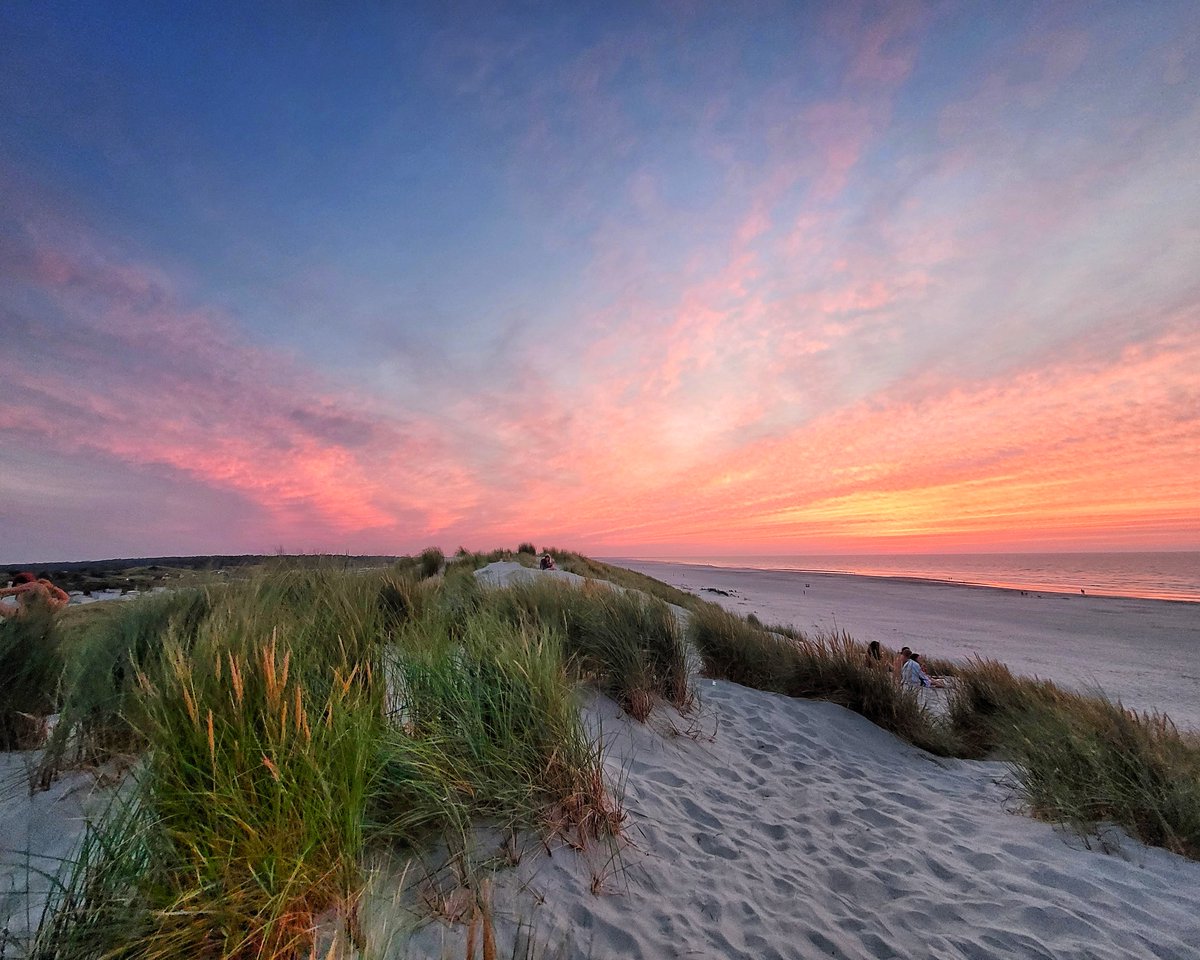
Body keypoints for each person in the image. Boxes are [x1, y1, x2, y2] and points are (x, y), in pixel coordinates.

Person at [0, 572, 70, 618]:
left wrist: (9, 591)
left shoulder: (21, 613)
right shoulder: (53, 606)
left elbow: (31, 587)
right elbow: (66, 598)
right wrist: (53, 588)